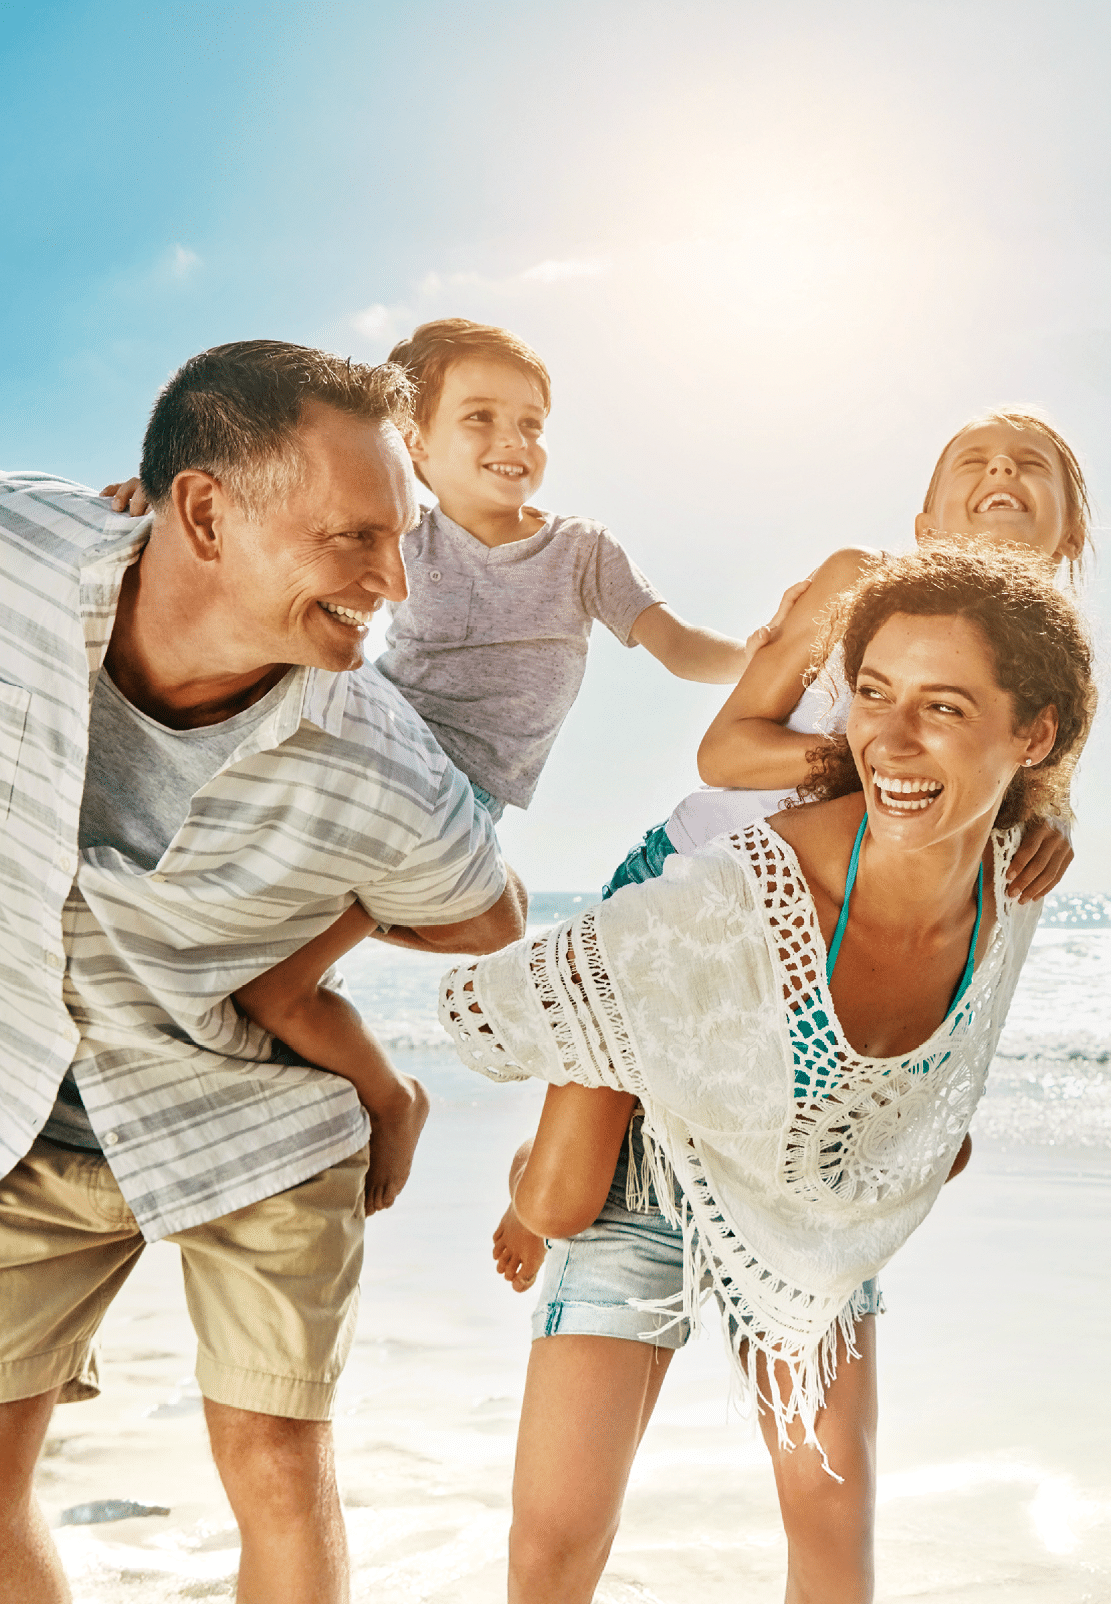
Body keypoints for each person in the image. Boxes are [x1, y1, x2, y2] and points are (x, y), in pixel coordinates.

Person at [439, 542, 1096, 1603]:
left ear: (1035, 733)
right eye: (872, 693)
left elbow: (941, 1082)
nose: (890, 737)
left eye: (943, 706)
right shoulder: (741, 887)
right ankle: (535, 1169)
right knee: (555, 1540)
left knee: (835, 1524)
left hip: (804, 1186)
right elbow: (512, 997)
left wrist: (910, 1151)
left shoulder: (1011, 885)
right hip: (649, 1146)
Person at [0, 340, 527, 1604]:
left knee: (277, 1462)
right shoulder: (23, 556)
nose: (392, 581)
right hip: (31, 1100)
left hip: (259, 1109)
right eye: (354, 537)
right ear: (200, 511)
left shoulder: (378, 760)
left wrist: (302, 951)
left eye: (402, 537)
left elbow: (491, 915)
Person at [103, 317, 802, 1163]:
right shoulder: (403, 534)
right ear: (413, 446)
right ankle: (331, 1101)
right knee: (266, 971)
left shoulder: (580, 551)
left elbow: (679, 645)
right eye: (480, 417)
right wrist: (157, 505)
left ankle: (386, 1100)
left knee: (310, 979)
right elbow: (271, 532)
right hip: (354, 759)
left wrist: (759, 652)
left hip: (453, 800)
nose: (513, 441)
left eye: (531, 423)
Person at [605, 410, 1089, 905]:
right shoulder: (857, 580)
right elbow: (722, 754)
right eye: (973, 461)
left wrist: (1053, 819)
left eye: (1031, 462)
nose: (1003, 467)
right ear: (927, 531)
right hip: (699, 866)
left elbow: (1030, 778)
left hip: (836, 915)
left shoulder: (1059, 671)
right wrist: (875, 758)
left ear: (1072, 534)